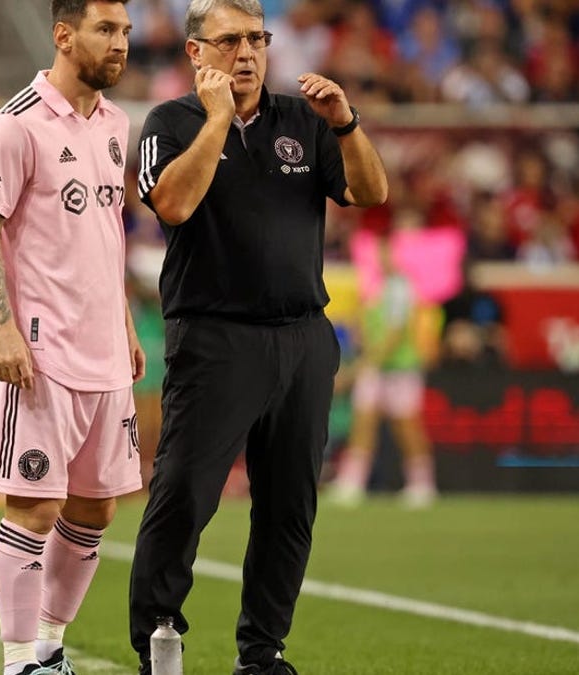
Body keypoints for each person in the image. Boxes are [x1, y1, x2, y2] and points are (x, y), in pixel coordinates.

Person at [128, 1, 388, 672]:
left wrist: (347, 124)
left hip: (301, 335)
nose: (247, 52)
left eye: (257, 38)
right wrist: (219, 118)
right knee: (184, 493)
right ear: (196, 53)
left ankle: (263, 651)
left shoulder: (303, 120)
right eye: (230, 40)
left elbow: (370, 192)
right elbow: (175, 205)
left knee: (289, 507)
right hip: (215, 337)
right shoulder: (170, 123)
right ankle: (160, 634)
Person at [0, 2, 143, 674]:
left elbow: (107, 229)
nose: (120, 44)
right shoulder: (15, 125)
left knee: (95, 507)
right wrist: (2, 326)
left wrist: (122, 318)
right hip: (40, 353)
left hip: (105, 351)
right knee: (36, 505)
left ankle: (49, 643)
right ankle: (18, 662)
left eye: (125, 31)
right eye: (106, 30)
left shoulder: (117, 123)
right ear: (64, 37)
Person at [328, 217, 443, 509]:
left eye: (387, 251)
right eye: (379, 251)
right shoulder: (378, 286)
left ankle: (422, 485)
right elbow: (368, 324)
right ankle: (352, 483)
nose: (382, 257)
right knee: (363, 423)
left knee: (407, 426)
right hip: (376, 367)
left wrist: (364, 364)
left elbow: (394, 334)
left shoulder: (402, 287)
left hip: (400, 368)